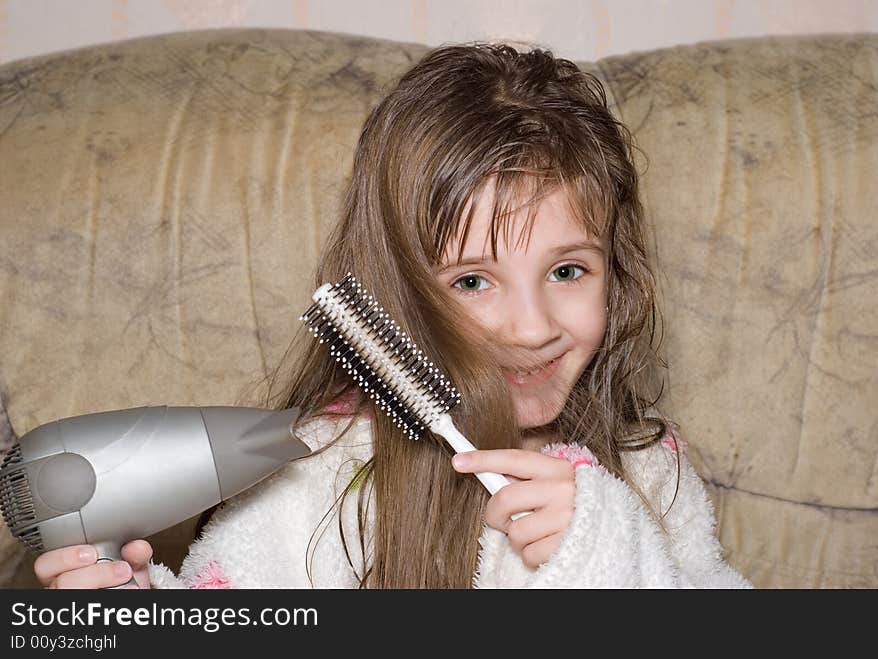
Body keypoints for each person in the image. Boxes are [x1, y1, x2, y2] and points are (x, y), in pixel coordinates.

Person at [33, 42, 751, 589]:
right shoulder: (315, 475)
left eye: (568, 270)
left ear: (615, 275)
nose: (532, 327)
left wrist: (609, 549)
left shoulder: (647, 473)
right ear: (394, 297)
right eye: (473, 280)